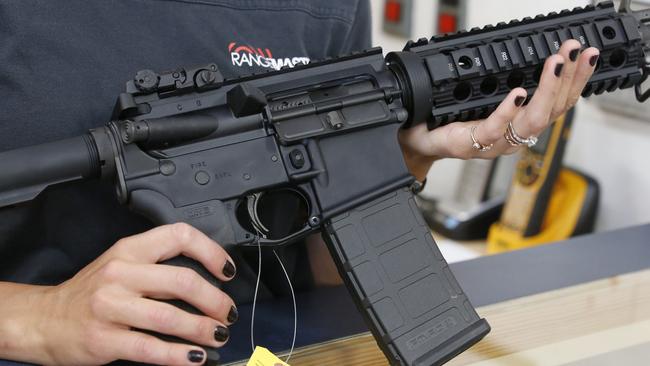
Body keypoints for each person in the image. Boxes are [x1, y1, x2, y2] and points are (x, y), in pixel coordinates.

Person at [0, 0, 598, 365]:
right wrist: (35, 319)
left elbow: (322, 268)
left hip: (278, 350)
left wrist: (399, 161)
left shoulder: (325, 5)